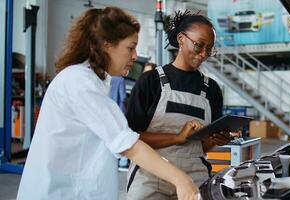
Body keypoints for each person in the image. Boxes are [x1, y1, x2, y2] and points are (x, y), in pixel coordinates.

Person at [16, 7, 201, 200]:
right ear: (107, 46)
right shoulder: (79, 82)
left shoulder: (95, 81)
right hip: (59, 193)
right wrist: (181, 179)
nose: (135, 56)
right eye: (130, 47)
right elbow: (127, 144)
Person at [126, 10, 232, 199]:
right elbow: (131, 139)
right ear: (181, 39)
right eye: (199, 46)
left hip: (194, 177)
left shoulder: (212, 89)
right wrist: (177, 137)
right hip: (152, 175)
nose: (203, 54)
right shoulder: (150, 82)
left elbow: (200, 147)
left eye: (209, 49)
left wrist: (213, 140)